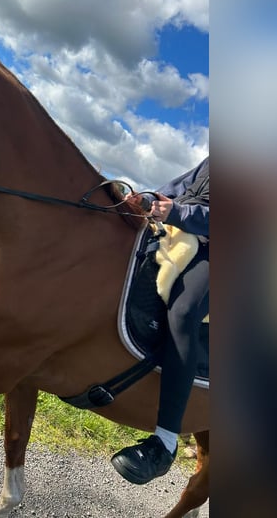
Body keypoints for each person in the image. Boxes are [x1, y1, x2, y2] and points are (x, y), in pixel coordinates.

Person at [111, 156, 209, 484]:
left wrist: (178, 212)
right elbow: (178, 187)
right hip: (179, 230)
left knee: (183, 313)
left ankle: (164, 443)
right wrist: (150, 199)